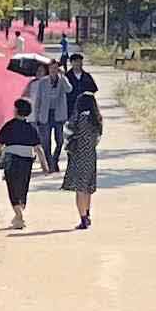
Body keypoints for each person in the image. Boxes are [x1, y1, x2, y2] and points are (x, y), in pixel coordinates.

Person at [62, 66, 103, 230]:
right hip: (91, 155)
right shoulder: (97, 120)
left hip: (78, 154)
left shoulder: (79, 118)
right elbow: (97, 138)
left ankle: (83, 218)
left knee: (79, 188)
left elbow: (67, 132)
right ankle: (87, 213)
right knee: (88, 187)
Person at [0, 98, 43, 228]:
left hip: (11, 158)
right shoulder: (31, 128)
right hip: (27, 160)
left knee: (12, 186)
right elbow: (38, 148)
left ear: (16, 110)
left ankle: (19, 215)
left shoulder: (9, 125)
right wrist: (45, 166)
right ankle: (19, 214)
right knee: (23, 186)